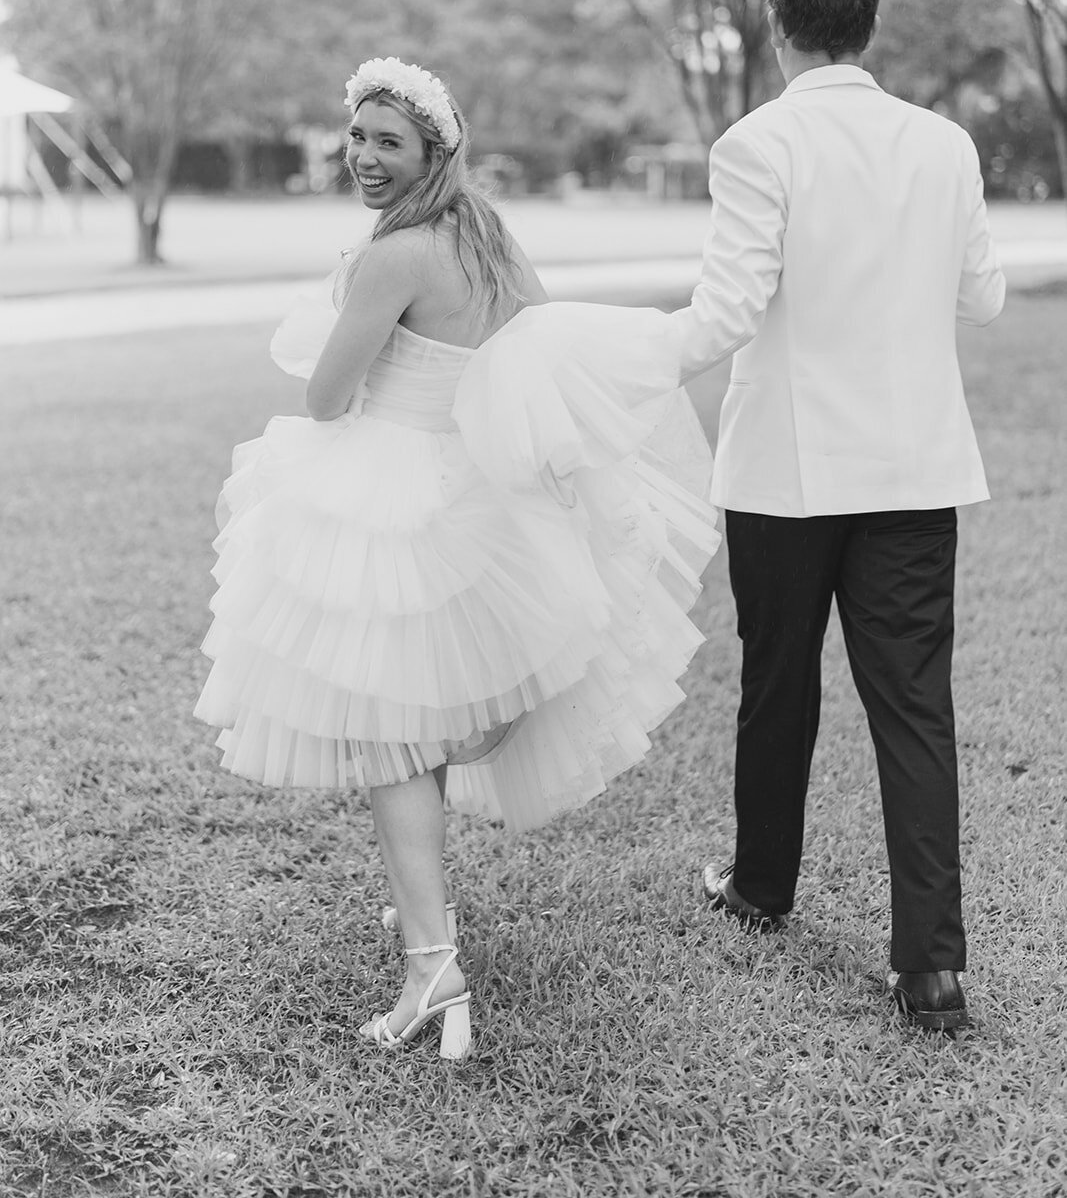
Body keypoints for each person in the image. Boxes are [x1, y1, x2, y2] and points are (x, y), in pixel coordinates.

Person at [195, 57, 720, 1060]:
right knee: (419, 725)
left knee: (391, 738)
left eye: (387, 141)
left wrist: (339, 325)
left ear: (433, 151)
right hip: (483, 502)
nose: (364, 157)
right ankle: (420, 909)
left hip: (397, 499)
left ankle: (432, 971)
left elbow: (325, 399)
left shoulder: (393, 258)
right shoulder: (487, 238)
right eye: (356, 136)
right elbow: (530, 353)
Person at [669, 0, 1005, 1032]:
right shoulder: (943, 145)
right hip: (911, 469)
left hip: (785, 471)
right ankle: (930, 969)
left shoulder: (756, 143)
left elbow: (722, 317)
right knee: (912, 707)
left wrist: (610, 363)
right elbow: (985, 298)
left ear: (778, 27)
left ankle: (760, 889)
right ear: (867, 27)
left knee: (778, 687)